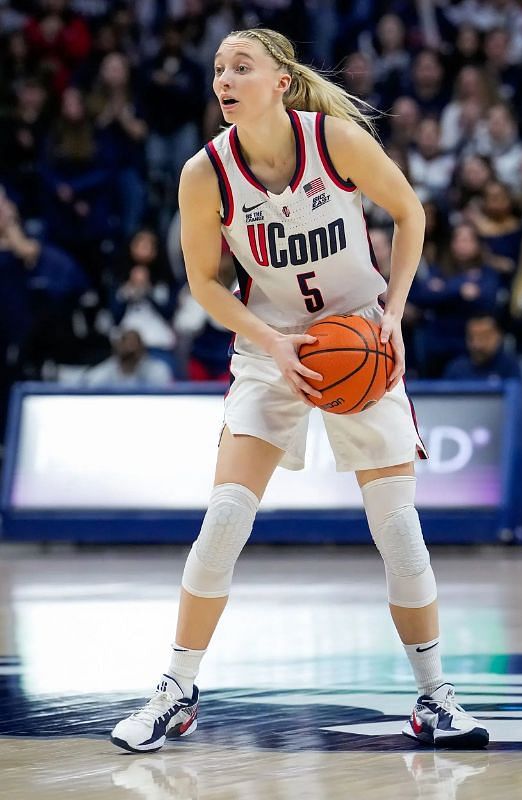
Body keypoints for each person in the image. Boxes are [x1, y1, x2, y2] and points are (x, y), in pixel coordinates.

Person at [109, 28, 487, 753]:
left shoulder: (334, 141)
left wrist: (394, 316)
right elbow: (201, 283)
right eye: (219, 68)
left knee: (400, 532)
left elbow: (410, 214)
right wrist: (274, 342)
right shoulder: (204, 173)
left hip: (359, 339)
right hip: (269, 347)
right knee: (223, 519)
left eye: (241, 66)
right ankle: (176, 690)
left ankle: (435, 698)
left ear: (280, 82)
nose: (225, 78)